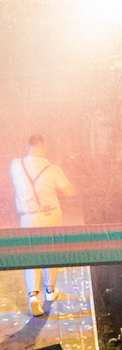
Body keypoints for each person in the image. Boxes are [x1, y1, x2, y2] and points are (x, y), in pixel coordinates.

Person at [10, 135, 74, 317]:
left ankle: (32, 296)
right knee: (50, 252)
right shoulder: (52, 169)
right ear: (44, 148)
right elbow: (70, 191)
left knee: (31, 255)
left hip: (28, 218)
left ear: (28, 146)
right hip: (50, 215)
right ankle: (50, 290)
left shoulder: (15, 166)